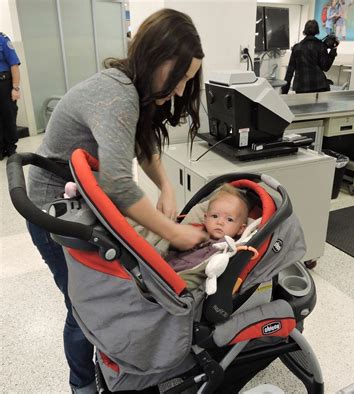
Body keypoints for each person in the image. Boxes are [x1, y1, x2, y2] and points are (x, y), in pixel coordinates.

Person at [26, 9, 208, 394]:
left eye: (187, 82)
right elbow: (120, 188)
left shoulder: (132, 91)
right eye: (179, 79)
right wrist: (176, 233)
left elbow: (143, 144)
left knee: (98, 301)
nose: (179, 91)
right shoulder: (116, 93)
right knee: (84, 308)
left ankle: (108, 370)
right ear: (159, 56)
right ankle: (82, 386)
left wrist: (167, 189)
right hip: (54, 213)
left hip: (79, 205)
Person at [166, 184, 249, 279]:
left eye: (229, 219)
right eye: (214, 216)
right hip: (165, 266)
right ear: (205, 218)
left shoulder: (228, 249)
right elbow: (172, 246)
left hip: (184, 278)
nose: (220, 222)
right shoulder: (194, 231)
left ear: (240, 229)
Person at [281, 19, 337, 94]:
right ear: (317, 31)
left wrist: (284, 92)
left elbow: (290, 71)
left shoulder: (296, 48)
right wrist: (333, 51)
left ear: (305, 31)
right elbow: (325, 67)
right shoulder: (321, 46)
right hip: (320, 85)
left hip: (301, 87)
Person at [0, 32, 21, 160]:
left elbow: (14, 64)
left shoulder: (3, 40)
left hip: (4, 84)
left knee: (9, 115)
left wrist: (15, 88)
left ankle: (11, 147)